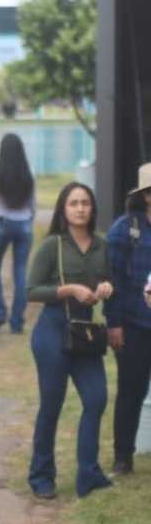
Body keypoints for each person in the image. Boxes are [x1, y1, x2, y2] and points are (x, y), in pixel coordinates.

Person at [25, 182, 115, 499]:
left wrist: (105, 287)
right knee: (52, 404)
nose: (80, 208)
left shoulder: (102, 246)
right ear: (64, 209)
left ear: (92, 209)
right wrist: (68, 290)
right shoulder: (53, 245)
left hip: (84, 330)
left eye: (85, 203)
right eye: (74, 203)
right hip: (52, 329)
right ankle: (41, 476)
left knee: (96, 398)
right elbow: (32, 290)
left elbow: (110, 279)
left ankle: (88, 474)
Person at [104, 162, 151, 476]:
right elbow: (113, 280)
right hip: (134, 324)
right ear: (146, 195)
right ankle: (123, 456)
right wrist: (114, 323)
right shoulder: (125, 229)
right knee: (131, 389)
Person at [0, 133, 37, 333]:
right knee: (20, 270)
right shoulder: (30, 172)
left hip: (3, 223)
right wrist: (30, 220)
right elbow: (33, 204)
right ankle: (17, 322)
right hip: (24, 224)